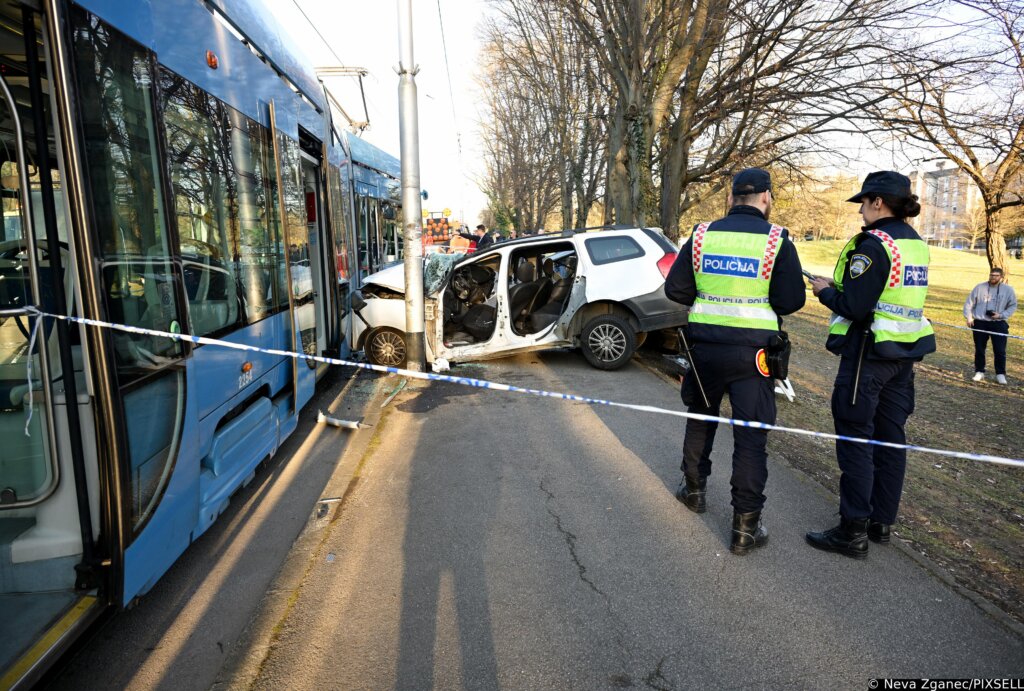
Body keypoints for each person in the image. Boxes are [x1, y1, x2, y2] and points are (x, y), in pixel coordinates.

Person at [665, 167, 806, 555]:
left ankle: (693, 491)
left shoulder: (701, 235)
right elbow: (792, 300)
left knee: (701, 418)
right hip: (754, 354)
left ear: (731, 198)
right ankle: (745, 527)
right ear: (766, 198)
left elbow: (676, 289)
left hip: (704, 348)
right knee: (750, 437)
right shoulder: (778, 240)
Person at [806, 171, 936, 559]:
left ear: (878, 202)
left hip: (869, 355)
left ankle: (852, 530)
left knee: (856, 439)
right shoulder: (915, 245)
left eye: (863, 203)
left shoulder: (873, 245)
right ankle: (881, 521)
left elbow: (856, 308)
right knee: (890, 439)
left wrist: (825, 291)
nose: (861, 211)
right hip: (904, 356)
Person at [964, 267, 1016, 384]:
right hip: (980, 322)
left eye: (996, 276)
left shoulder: (1008, 290)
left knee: (1000, 350)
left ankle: (1000, 374)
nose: (993, 277)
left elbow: (1012, 306)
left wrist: (1001, 315)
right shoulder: (979, 287)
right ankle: (979, 371)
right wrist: (969, 317)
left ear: (1001, 277)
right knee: (980, 349)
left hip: (999, 323)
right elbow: (969, 303)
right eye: (991, 275)